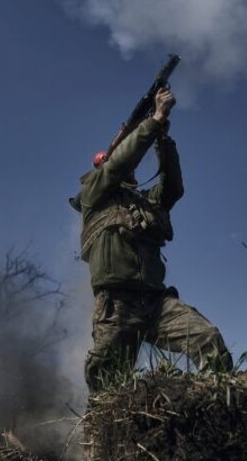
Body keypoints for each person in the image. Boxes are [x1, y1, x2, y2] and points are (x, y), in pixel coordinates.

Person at [73, 87, 231, 394]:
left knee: (206, 338)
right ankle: (102, 439)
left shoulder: (146, 202)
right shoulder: (94, 193)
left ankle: (219, 408)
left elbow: (173, 188)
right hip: (116, 305)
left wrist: (162, 139)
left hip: (155, 301)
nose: (125, 166)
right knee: (108, 385)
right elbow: (117, 164)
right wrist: (153, 119)